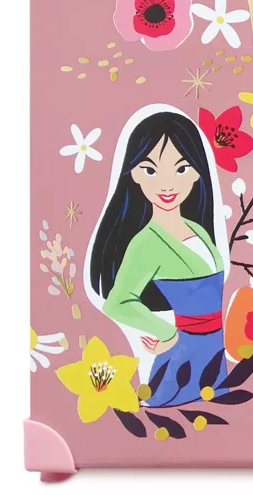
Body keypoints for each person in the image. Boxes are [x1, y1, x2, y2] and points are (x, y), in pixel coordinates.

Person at [87, 107, 227, 406]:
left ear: (197, 171)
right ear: (135, 174)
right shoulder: (146, 242)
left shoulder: (198, 229)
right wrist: (166, 332)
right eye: (150, 170)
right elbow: (118, 302)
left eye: (181, 169)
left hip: (214, 354)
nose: (166, 185)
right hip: (183, 359)